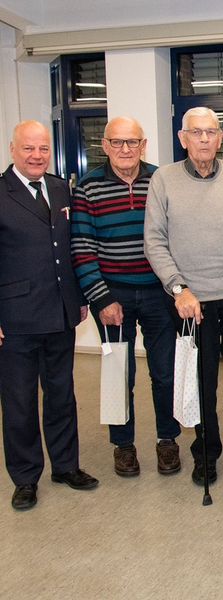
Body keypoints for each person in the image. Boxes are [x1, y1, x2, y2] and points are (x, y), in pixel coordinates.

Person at [144, 107, 223, 486]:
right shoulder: (163, 180)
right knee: (200, 384)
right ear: (183, 138)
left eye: (211, 132)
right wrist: (178, 288)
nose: (204, 139)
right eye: (196, 133)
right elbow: (154, 242)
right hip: (190, 303)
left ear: (220, 138)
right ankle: (205, 453)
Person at [71, 116, 181, 478]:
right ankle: (123, 445)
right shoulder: (88, 187)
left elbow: (174, 237)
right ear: (104, 146)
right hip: (113, 294)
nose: (125, 149)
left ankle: (168, 440)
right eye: (117, 142)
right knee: (120, 373)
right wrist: (101, 299)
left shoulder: (160, 180)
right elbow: (83, 247)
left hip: (158, 293)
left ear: (143, 144)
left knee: (165, 373)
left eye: (132, 142)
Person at [0, 120, 98, 510]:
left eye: (43, 149)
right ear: (13, 150)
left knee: (61, 395)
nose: (37, 156)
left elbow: (69, 248)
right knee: (20, 401)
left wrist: (78, 298)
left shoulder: (60, 188)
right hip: (16, 320)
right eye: (29, 149)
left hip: (60, 314)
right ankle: (25, 477)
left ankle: (65, 465)